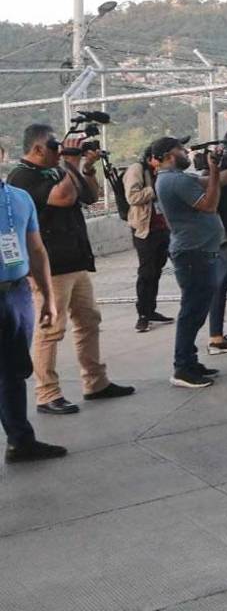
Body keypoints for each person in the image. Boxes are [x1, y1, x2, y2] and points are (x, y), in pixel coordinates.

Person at [7, 124, 135, 415]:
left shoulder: (57, 170)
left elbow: (89, 196)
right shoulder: (22, 177)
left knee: (89, 320)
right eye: (54, 146)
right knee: (51, 330)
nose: (59, 151)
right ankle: (47, 394)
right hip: (51, 267)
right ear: (37, 149)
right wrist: (71, 163)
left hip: (75, 260)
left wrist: (86, 168)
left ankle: (96, 382)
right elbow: (63, 197)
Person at [151, 137, 227, 388]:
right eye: (180, 149)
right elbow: (210, 204)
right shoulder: (175, 181)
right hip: (193, 254)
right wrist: (214, 170)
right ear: (169, 156)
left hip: (197, 252)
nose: (185, 152)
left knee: (196, 311)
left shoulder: (177, 178)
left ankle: (189, 361)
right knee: (191, 312)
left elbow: (217, 181)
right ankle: (182, 368)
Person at [0, 141, 66, 463]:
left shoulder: (19, 198)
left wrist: (48, 297)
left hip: (17, 293)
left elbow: (37, 250)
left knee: (14, 371)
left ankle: (20, 442)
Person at [123, 148, 175, 332]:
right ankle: (143, 315)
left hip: (162, 228)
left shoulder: (162, 172)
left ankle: (151, 310)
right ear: (152, 158)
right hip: (145, 230)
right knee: (146, 272)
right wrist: (155, 188)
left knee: (156, 271)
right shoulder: (137, 169)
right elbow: (132, 196)